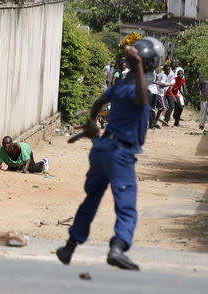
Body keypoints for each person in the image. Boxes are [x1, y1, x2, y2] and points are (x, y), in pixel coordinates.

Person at [56, 37, 165, 271]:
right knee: (126, 204)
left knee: (91, 199)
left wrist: (91, 123)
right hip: (120, 153)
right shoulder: (140, 91)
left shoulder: (119, 86)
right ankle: (117, 249)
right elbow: (142, 99)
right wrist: (136, 65)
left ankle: (69, 247)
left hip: (102, 149)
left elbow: (99, 100)